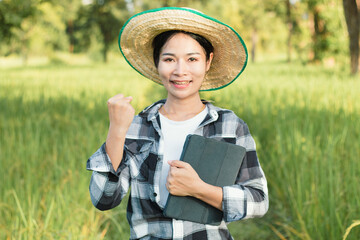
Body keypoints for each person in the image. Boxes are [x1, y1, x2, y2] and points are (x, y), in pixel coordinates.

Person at [87, 7, 268, 240]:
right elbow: (103, 199)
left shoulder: (230, 125)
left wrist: (198, 189)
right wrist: (116, 131)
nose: (180, 71)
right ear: (157, 62)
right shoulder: (138, 127)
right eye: (169, 59)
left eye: (192, 59)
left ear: (208, 61)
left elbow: (258, 200)